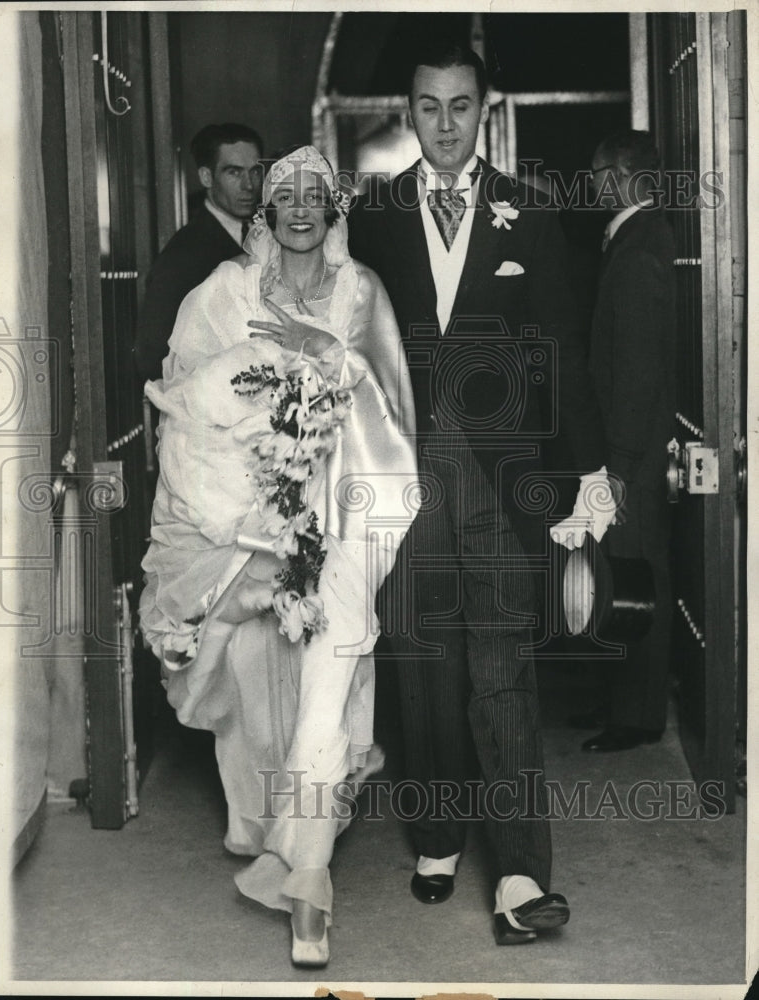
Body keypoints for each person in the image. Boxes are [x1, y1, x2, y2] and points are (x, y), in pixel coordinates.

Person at [348, 41, 614, 944]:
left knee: (503, 666)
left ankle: (522, 872)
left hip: (504, 481)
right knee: (423, 661)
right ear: (409, 113)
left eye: (462, 106)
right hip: (404, 473)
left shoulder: (532, 216)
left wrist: (587, 477)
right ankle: (434, 835)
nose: (447, 125)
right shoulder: (373, 215)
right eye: (430, 108)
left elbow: (568, 358)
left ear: (484, 109)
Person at [138, 145, 418, 968]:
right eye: (284, 192)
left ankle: (307, 880)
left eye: (315, 195)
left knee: (334, 660)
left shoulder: (362, 291)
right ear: (267, 206)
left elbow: (397, 409)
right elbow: (186, 406)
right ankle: (279, 837)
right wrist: (246, 495)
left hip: (350, 515)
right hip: (252, 526)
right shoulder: (223, 292)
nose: (300, 207)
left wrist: (331, 360)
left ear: (334, 207)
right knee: (266, 688)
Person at [571, 130, 676, 752]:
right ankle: (621, 703)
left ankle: (638, 718)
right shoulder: (632, 238)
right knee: (618, 575)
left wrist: (623, 465)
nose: (590, 185)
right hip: (624, 449)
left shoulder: (639, 251)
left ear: (623, 176)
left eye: (597, 174)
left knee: (637, 577)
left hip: (631, 454)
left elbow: (637, 373)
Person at [133, 122, 264, 382]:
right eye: (234, 173)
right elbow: (151, 357)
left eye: (255, 172)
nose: (249, 185)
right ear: (206, 177)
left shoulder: (264, 236)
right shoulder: (184, 254)